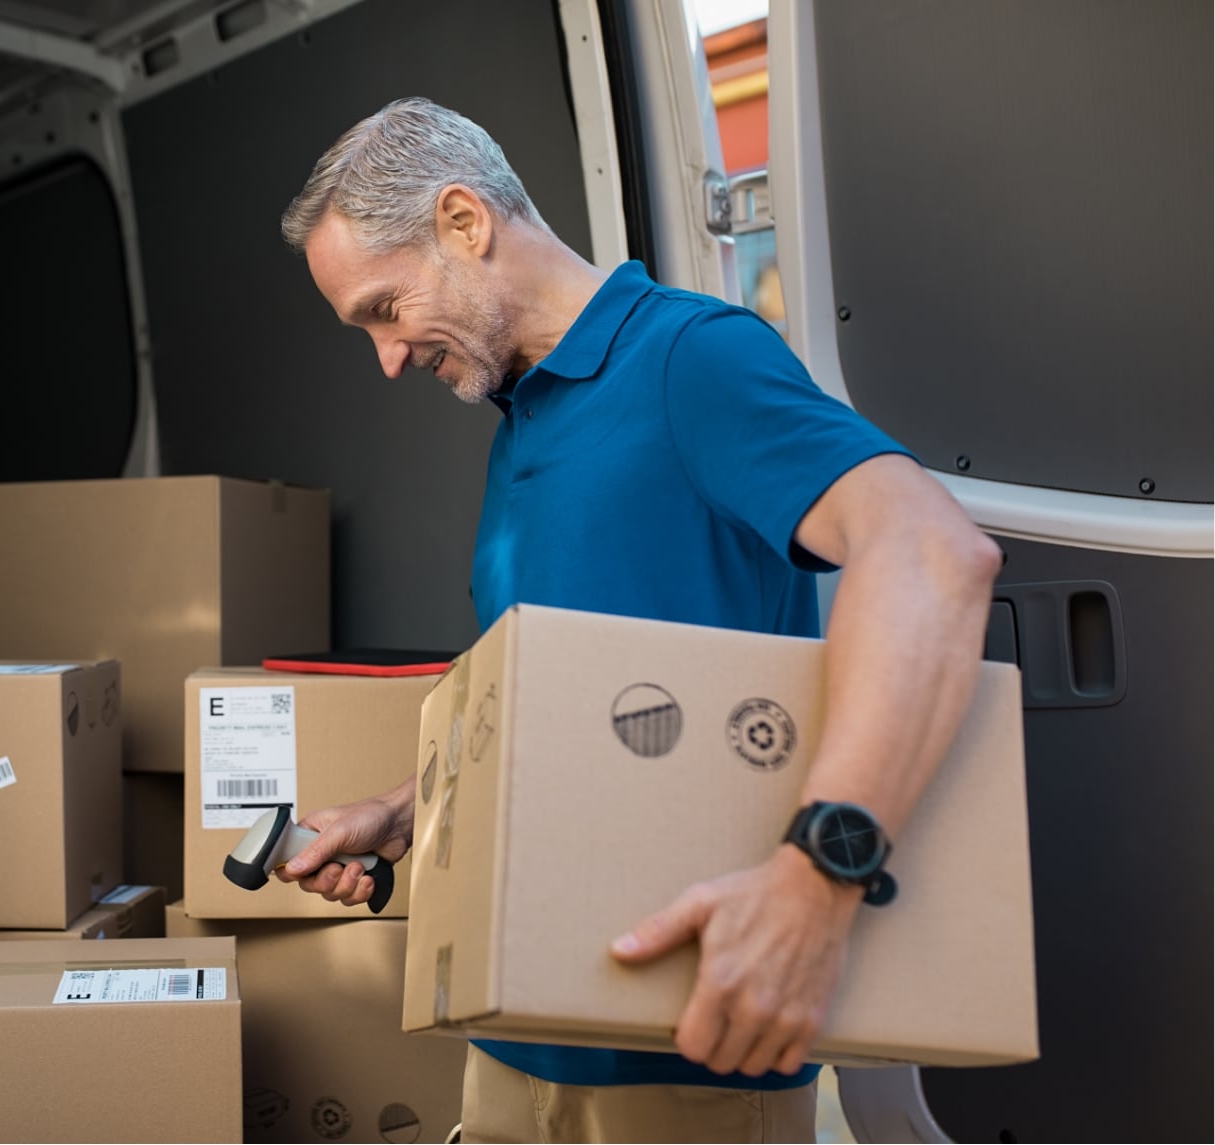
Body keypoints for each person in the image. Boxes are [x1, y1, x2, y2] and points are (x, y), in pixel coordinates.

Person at [273, 97, 1001, 1144]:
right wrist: (403, 810)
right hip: (512, 1032)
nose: (387, 358)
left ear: (463, 222)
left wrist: (818, 875)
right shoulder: (521, 414)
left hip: (684, 1048)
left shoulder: (688, 360)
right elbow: (569, 709)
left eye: (384, 310)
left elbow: (932, 553)